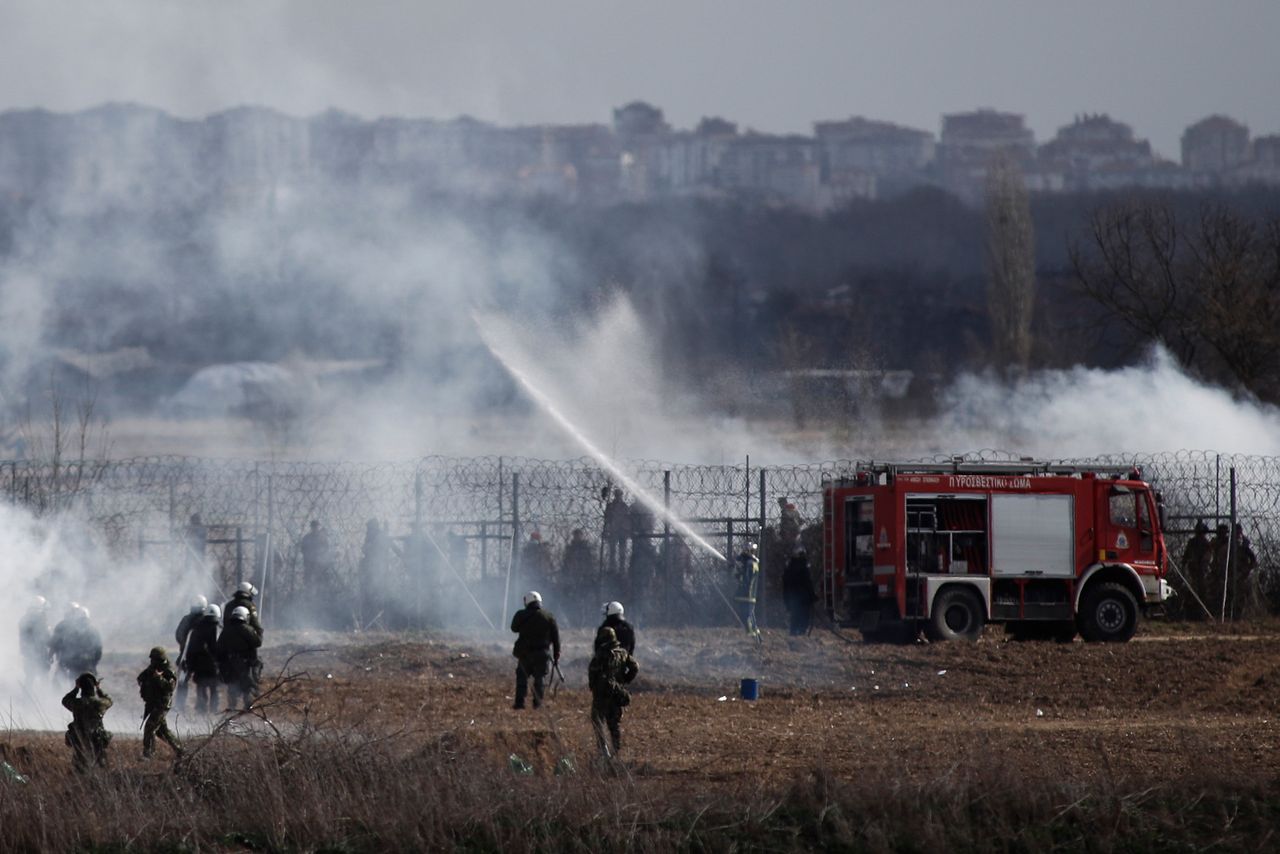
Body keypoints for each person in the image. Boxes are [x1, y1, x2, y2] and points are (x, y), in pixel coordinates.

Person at [587, 626, 638, 759]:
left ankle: (603, 749)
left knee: (597, 720)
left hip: (602, 694)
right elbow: (634, 667)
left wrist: (593, 686)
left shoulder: (601, 654)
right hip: (616, 692)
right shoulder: (623, 653)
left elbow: (593, 672)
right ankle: (615, 750)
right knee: (613, 723)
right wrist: (625, 680)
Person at [510, 591, 560, 710]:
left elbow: (514, 628)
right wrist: (557, 653)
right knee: (540, 679)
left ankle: (519, 704)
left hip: (524, 653)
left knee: (522, 678)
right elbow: (556, 637)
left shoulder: (521, 614)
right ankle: (538, 704)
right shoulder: (549, 616)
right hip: (542, 654)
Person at [136, 647, 183, 759]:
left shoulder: (169, 672)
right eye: (152, 659)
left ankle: (149, 753)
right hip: (153, 703)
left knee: (150, 727)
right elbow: (141, 677)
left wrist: (159, 678)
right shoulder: (152, 668)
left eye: (155, 659)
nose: (152, 662)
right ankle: (180, 749)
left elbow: (170, 688)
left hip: (162, 705)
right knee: (162, 731)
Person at [62, 672, 112, 772]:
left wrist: (76, 688)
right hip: (96, 739)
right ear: (92, 687)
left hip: (80, 738)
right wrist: (99, 689)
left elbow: (65, 700)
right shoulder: (99, 703)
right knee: (101, 766)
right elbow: (109, 701)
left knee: (79, 766)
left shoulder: (77, 703)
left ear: (81, 688)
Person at [216, 605, 262, 711]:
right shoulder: (247, 629)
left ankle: (232, 707)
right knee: (248, 686)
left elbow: (219, 647)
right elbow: (257, 642)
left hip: (229, 663)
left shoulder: (226, 630)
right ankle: (249, 707)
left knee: (232, 685)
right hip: (245, 663)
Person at [49, 603, 103, 681]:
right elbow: (98, 651)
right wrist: (93, 664)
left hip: (72, 665)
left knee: (72, 685)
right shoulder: (94, 631)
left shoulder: (71, 631)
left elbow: (60, 645)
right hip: (87, 666)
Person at [174, 594, 208, 708]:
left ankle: (180, 706)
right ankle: (201, 708)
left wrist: (184, 645)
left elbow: (179, 634)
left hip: (186, 657)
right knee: (201, 683)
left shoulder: (186, 619)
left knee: (183, 682)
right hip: (200, 658)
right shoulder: (206, 620)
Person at [187, 603, 222, 713]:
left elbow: (191, 649)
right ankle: (214, 711)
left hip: (199, 665)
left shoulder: (197, 629)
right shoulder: (220, 629)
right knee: (214, 689)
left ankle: (201, 710)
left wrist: (190, 666)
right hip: (215, 665)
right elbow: (224, 648)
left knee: (201, 688)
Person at [782, 547, 816, 636]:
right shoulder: (804, 568)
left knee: (794, 616)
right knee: (804, 617)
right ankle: (801, 632)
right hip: (803, 598)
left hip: (792, 598)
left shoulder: (789, 568)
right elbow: (808, 583)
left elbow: (785, 585)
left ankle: (793, 632)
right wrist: (812, 596)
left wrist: (786, 600)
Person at [19, 595, 53, 683]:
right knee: (44, 677)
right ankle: (44, 694)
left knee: (30, 677)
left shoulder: (25, 618)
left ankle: (27, 694)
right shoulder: (41, 619)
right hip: (40, 652)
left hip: (29, 653)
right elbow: (47, 636)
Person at [1181, 520, 1212, 614]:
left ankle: (1200, 611)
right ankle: (1191, 611)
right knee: (1193, 589)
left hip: (1201, 571)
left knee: (1202, 590)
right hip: (1194, 570)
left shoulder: (1206, 544)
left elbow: (1208, 558)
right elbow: (1186, 556)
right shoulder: (1193, 543)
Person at [734, 543, 761, 639]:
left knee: (745, 616)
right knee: (750, 615)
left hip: (746, 594)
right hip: (749, 594)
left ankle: (752, 637)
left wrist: (738, 570)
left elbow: (744, 578)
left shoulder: (749, 563)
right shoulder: (752, 562)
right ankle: (757, 637)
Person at [602, 489, 630, 576]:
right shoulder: (611, 506)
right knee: (612, 552)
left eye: (619, 495)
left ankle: (621, 569)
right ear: (615, 495)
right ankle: (612, 569)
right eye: (617, 495)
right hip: (614, 531)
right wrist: (606, 530)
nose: (618, 497)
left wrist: (626, 530)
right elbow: (607, 519)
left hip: (621, 531)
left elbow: (628, 520)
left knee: (622, 552)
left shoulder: (624, 506)